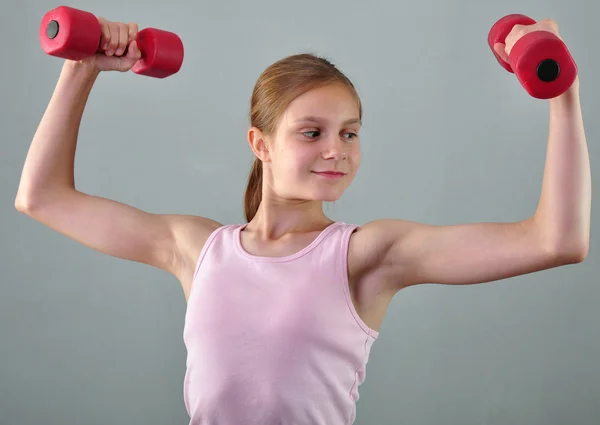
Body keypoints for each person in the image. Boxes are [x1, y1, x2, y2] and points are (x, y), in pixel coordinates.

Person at [15, 16, 590, 425]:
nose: (336, 150)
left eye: (350, 133)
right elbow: (41, 197)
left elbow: (555, 240)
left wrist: (562, 91)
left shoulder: (367, 256)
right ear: (259, 144)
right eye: (312, 133)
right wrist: (81, 69)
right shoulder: (196, 249)